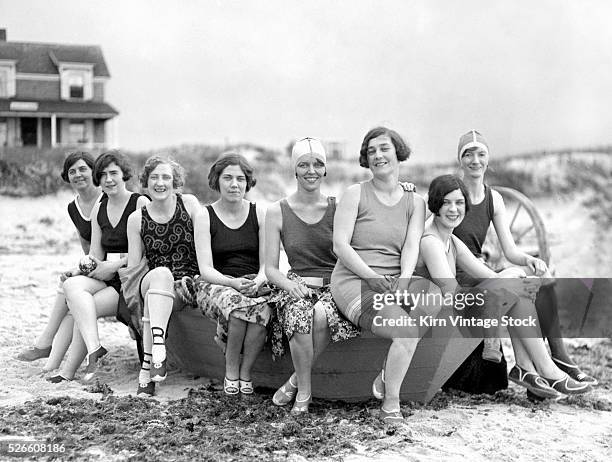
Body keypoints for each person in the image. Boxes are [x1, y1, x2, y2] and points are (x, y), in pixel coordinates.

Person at [444, 130, 596, 395]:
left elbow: (511, 250)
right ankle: (544, 367)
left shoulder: (494, 199)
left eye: (481, 154)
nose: (475, 160)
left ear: (488, 159)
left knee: (536, 279)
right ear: (460, 160)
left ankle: (535, 368)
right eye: (467, 154)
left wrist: (529, 260)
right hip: (459, 277)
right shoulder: (452, 195)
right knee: (518, 286)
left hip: (481, 272)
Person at [416, 174, 591, 398]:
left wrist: (516, 281)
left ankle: (529, 368)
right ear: (435, 205)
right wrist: (511, 285)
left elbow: (489, 275)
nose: (453, 209)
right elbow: (452, 295)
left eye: (459, 203)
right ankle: (540, 369)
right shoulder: (431, 242)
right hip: (442, 319)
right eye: (446, 202)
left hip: (457, 311)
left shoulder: (451, 240)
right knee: (512, 286)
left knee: (514, 283)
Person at [331, 127, 440, 424]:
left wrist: (405, 278)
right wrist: (370, 277)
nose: (378, 155)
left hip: (393, 278)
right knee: (406, 331)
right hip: (354, 280)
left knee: (433, 297)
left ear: (397, 152)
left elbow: (411, 244)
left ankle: (385, 374)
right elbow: (339, 246)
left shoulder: (414, 201)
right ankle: (391, 403)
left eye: (384, 148)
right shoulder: (355, 194)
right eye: (371, 151)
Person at [265, 137, 360, 413]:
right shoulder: (276, 211)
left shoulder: (337, 207)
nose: (311, 171)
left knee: (320, 314)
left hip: (336, 286)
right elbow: (271, 268)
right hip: (295, 285)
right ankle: (305, 394)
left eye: (318, 164)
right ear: (294, 170)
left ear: (325, 169)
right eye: (304, 165)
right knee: (298, 315)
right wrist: (289, 286)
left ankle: (295, 381)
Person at [60, 150, 149, 381]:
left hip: (133, 277)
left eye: (114, 173)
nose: (108, 179)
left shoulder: (140, 202)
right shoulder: (100, 208)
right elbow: (96, 253)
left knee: (83, 307)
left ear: (124, 175)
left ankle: (69, 371)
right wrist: (80, 269)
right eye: (103, 175)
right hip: (111, 276)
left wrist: (115, 265)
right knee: (72, 286)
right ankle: (94, 350)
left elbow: (149, 250)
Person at [17, 152, 103, 373]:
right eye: (72, 171)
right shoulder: (73, 207)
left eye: (83, 169)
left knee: (68, 289)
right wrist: (80, 269)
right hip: (94, 264)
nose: (78, 175)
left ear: (94, 171)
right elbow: (87, 248)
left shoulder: (107, 198)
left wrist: (85, 271)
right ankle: (51, 358)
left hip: (111, 266)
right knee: (67, 285)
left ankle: (45, 344)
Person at [126, 156, 203, 396]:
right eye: (154, 177)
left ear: (175, 182)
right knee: (160, 275)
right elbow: (134, 267)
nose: (160, 183)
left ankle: (146, 370)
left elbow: (206, 245)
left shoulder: (189, 204)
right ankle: (159, 345)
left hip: (186, 283)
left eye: (166, 177)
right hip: (151, 279)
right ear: (146, 183)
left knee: (155, 299)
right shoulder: (136, 218)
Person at [196, 152, 271, 396]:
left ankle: (245, 373)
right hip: (217, 283)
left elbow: (267, 263)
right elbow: (205, 269)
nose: (234, 184)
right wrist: (233, 283)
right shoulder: (204, 215)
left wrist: (258, 280)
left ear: (248, 182)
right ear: (217, 180)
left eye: (240, 178)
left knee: (263, 309)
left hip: (254, 280)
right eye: (227, 178)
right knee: (238, 308)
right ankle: (231, 371)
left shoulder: (259, 213)